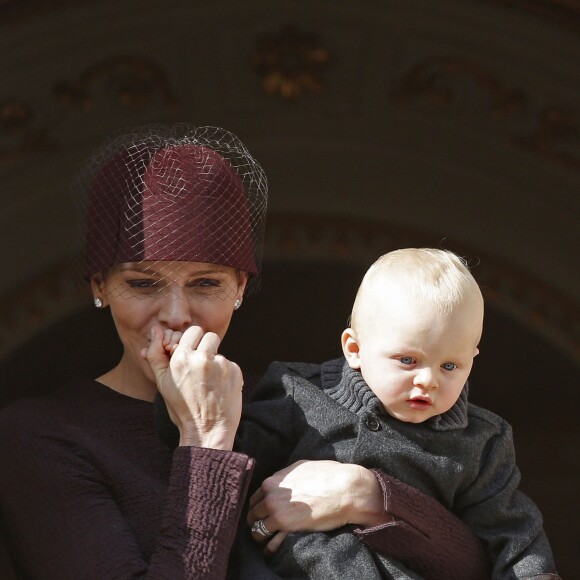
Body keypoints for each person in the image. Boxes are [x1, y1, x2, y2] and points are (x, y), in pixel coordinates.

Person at [0, 126, 486, 580]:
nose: (176, 313)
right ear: (100, 285)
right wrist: (205, 440)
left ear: (240, 287)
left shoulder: (295, 402)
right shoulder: (44, 436)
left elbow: (480, 564)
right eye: (142, 283)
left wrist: (369, 497)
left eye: (206, 283)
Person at [233, 248, 561, 579]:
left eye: (450, 365)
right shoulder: (297, 394)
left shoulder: (481, 442)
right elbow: (233, 469)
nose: (428, 380)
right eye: (407, 360)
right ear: (355, 349)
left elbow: (514, 534)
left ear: (472, 359)